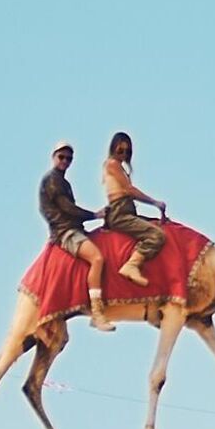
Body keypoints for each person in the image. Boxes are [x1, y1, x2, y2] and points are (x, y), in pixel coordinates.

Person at [38, 143, 114, 332]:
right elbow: (67, 209)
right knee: (97, 258)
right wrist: (95, 215)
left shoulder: (63, 182)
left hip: (74, 229)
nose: (65, 161)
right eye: (62, 157)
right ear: (53, 156)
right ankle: (97, 313)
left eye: (69, 158)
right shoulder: (53, 180)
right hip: (66, 232)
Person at [100, 130, 169, 288]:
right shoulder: (112, 164)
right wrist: (155, 202)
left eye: (127, 151)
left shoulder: (120, 167)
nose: (123, 154)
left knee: (160, 224)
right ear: (113, 148)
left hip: (128, 210)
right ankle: (132, 265)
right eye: (120, 150)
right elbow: (129, 190)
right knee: (157, 235)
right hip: (120, 213)